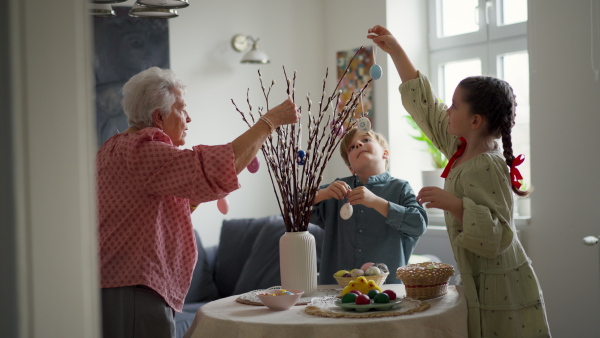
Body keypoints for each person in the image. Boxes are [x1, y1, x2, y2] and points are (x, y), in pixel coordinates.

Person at [367, 25, 550, 337]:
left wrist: (453, 204)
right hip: (481, 283)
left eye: (454, 105)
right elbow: (426, 106)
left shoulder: (489, 165)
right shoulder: (459, 148)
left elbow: (499, 235)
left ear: (475, 121)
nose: (447, 110)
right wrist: (395, 50)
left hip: (504, 288)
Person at [96, 66, 299, 338]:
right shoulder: (143, 150)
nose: (189, 118)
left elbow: (146, 210)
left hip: (122, 287)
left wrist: (193, 199)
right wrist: (268, 122)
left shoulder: (114, 147)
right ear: (159, 116)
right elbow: (211, 168)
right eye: (182, 109)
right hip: (135, 291)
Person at [310, 127, 428, 285]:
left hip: (387, 290)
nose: (358, 144)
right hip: (337, 292)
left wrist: (376, 202)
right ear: (351, 167)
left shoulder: (400, 188)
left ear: (385, 153)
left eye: (366, 140)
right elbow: (294, 207)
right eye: (351, 147)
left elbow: (418, 224)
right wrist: (322, 194)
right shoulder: (335, 190)